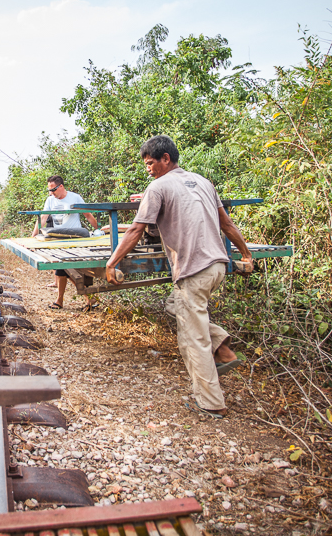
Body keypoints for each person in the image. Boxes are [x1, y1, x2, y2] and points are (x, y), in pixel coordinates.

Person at [105, 136, 254, 419]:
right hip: (217, 267)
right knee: (176, 305)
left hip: (194, 270)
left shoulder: (158, 186)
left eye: (151, 163)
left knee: (193, 340)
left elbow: (136, 230)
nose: (148, 169)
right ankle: (222, 349)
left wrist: (112, 262)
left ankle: (211, 403)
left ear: (166, 159)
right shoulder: (203, 181)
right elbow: (227, 223)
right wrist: (246, 254)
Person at [31, 176, 101, 311]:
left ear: (61, 186)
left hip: (75, 238)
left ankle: (69, 299)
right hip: (58, 239)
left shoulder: (75, 198)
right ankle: (74, 299)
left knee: (65, 270)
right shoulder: (50, 200)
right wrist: (33, 236)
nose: (51, 193)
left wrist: (99, 230)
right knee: (61, 270)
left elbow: (88, 215)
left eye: (53, 190)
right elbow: (43, 217)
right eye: (49, 190)